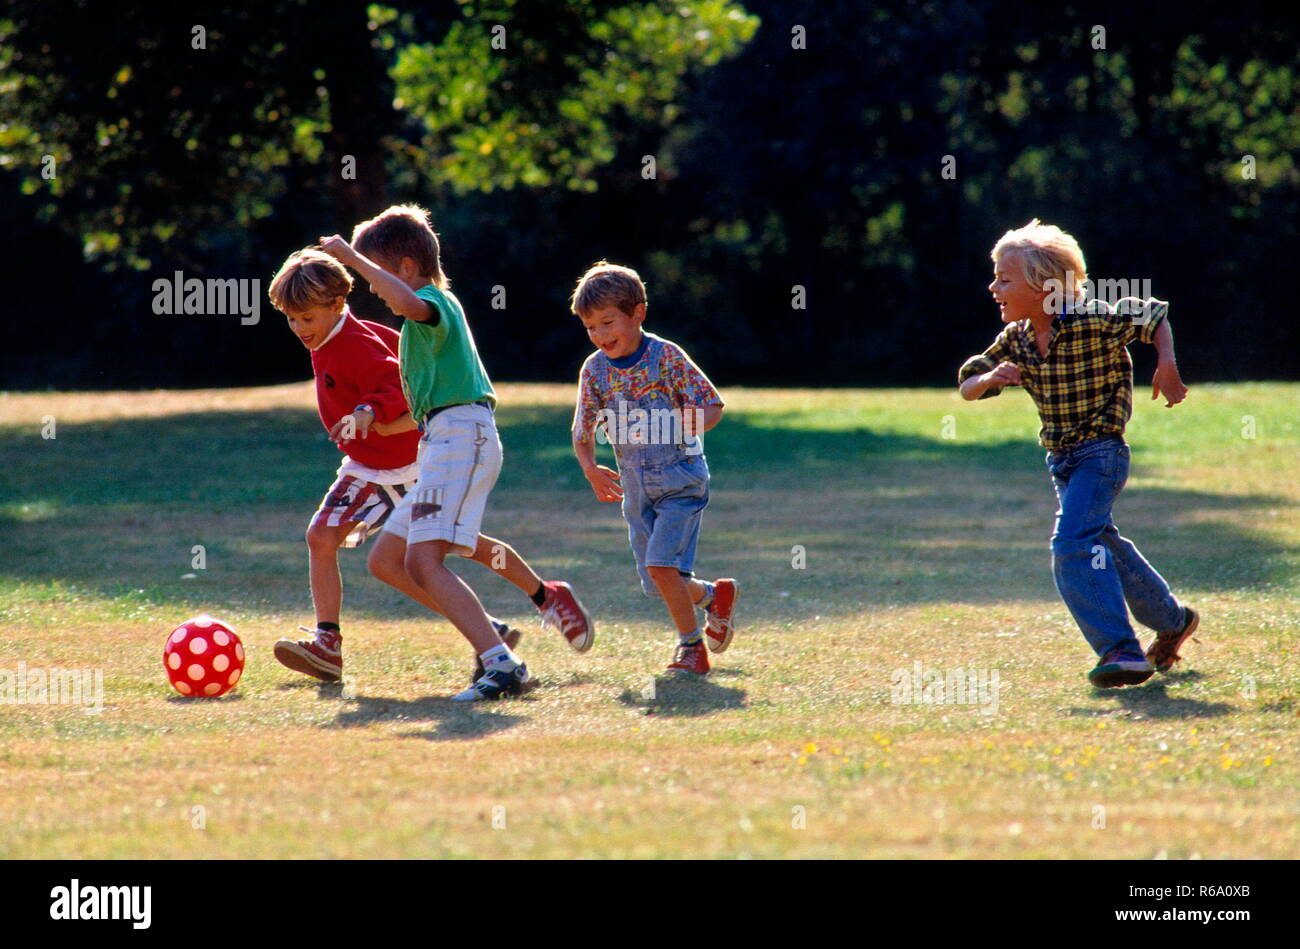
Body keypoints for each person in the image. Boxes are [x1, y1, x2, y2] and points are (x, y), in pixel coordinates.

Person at [268, 243, 592, 695]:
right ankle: (522, 608)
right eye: (292, 318)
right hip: (379, 463)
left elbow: (393, 381)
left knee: (438, 552)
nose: (300, 327)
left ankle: (530, 610)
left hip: (405, 463)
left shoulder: (353, 341)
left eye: (307, 317)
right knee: (382, 551)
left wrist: (366, 411)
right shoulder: (336, 335)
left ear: (338, 304)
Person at [957, 219, 1198, 688]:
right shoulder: (1017, 339)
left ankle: (1120, 650)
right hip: (1062, 463)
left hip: (1102, 453)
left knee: (1071, 544)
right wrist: (989, 380)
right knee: (1101, 543)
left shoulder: (1093, 321)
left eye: (1004, 279)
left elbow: (1154, 316)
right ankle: (1173, 621)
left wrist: (1166, 365)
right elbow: (968, 382)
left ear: (1044, 286)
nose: (993, 287)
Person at [569, 261, 738, 676]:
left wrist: (689, 422)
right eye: (591, 327)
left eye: (608, 322)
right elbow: (583, 428)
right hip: (636, 488)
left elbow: (712, 405)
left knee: (662, 568)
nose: (600, 335)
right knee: (660, 579)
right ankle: (714, 597)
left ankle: (691, 647)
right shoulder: (594, 370)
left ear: (638, 312)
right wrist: (591, 469)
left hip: (682, 480)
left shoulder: (667, 357)